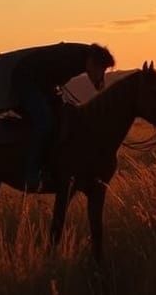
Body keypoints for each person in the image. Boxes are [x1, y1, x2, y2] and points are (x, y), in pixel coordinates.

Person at [8, 42, 116, 190]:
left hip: (40, 82)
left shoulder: (82, 58)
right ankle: (31, 173)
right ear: (93, 63)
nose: (101, 75)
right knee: (44, 121)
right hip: (26, 80)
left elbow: (52, 80)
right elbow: (46, 79)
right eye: (101, 70)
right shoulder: (71, 59)